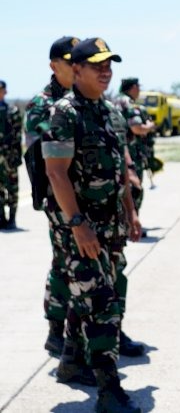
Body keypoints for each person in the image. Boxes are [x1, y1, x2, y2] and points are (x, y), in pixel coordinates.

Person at [44, 37, 141, 412]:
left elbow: (121, 170)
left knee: (102, 298)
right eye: (97, 64)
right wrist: (78, 224)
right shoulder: (64, 112)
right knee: (100, 306)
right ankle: (108, 390)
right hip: (82, 232)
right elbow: (56, 173)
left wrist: (131, 212)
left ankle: (71, 362)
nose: (106, 71)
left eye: (109, 64)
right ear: (77, 69)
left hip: (112, 229)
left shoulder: (112, 112)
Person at [24, 36, 79, 358]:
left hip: (86, 195)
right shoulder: (42, 104)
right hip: (58, 196)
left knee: (95, 269)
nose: (75, 68)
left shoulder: (82, 99)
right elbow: (45, 150)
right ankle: (56, 331)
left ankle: (102, 330)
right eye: (68, 61)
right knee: (63, 265)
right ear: (53, 65)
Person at [114, 77, 155, 216]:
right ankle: (131, 220)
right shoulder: (129, 104)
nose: (139, 90)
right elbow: (137, 128)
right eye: (138, 87)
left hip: (115, 153)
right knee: (135, 188)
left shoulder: (113, 101)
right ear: (133, 87)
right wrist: (149, 126)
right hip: (131, 154)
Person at [0, 79, 22, 230]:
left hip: (10, 157)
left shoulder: (12, 111)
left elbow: (18, 136)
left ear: (5, 91)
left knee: (12, 189)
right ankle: (1, 218)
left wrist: (17, 157)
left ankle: (12, 219)